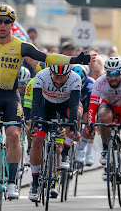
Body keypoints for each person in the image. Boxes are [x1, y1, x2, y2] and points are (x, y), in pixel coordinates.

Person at [0, 4, 93, 199]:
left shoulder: (21, 46)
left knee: (14, 135)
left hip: (10, 97)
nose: (2, 25)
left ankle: (11, 183)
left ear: (12, 24)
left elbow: (48, 57)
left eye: (6, 22)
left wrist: (75, 59)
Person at [88, 57, 121, 198]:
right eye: (109, 73)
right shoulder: (100, 82)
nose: (112, 77)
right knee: (104, 118)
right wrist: (90, 125)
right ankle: (106, 150)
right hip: (109, 107)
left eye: (115, 73)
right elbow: (93, 106)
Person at [28, 64, 82, 201]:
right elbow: (36, 102)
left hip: (65, 104)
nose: (58, 81)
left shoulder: (75, 79)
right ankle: (34, 183)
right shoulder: (42, 76)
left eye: (62, 77)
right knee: (37, 140)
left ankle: (65, 154)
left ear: (68, 75)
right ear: (50, 73)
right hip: (46, 106)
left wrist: (73, 127)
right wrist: (33, 122)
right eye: (55, 77)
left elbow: (74, 105)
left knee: (77, 116)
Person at [73, 65, 95, 166]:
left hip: (87, 102)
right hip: (73, 101)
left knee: (89, 122)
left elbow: (92, 105)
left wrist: (89, 121)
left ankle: (82, 150)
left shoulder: (91, 83)